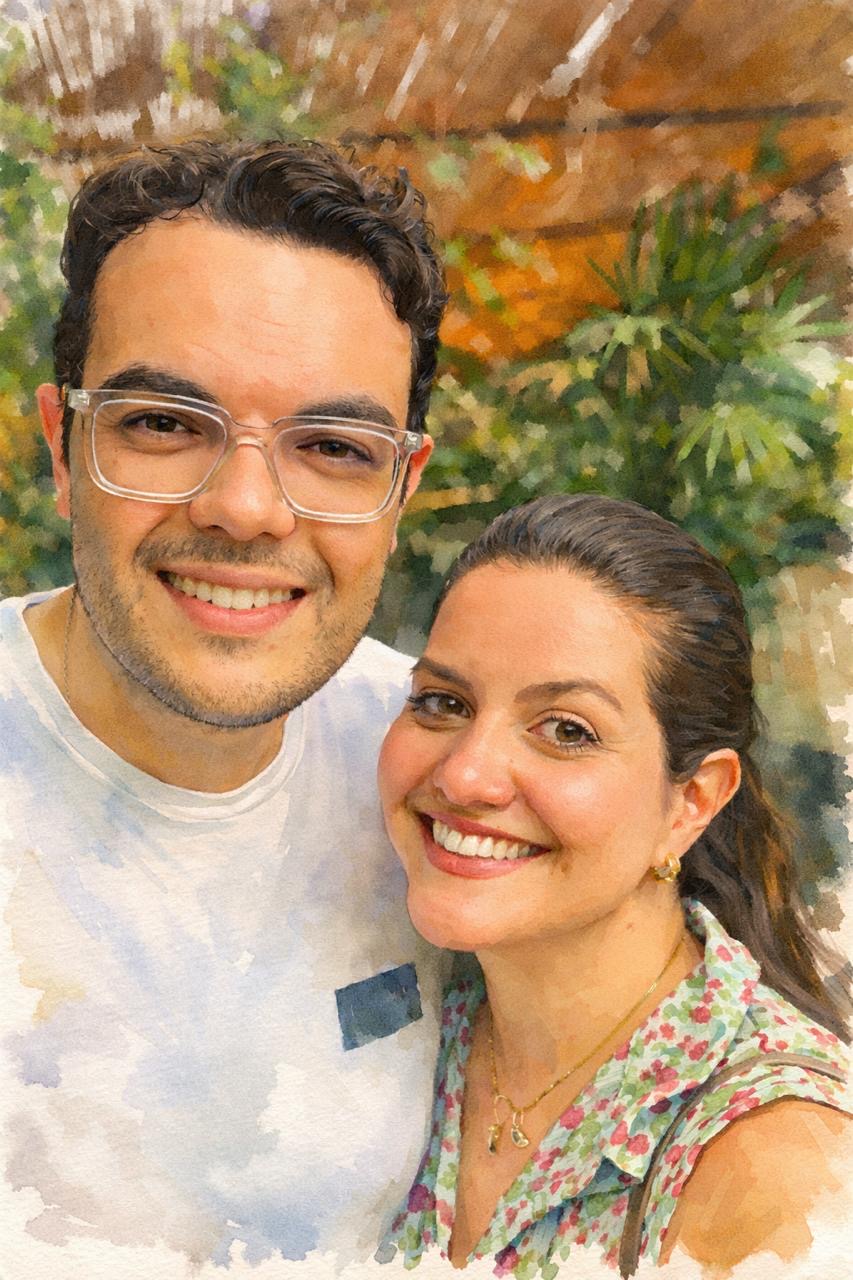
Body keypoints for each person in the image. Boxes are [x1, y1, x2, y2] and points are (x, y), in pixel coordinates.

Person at [0, 138, 450, 1268]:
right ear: (63, 446)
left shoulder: (447, 779)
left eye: (332, 446)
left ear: (400, 488)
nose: (247, 507)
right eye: (164, 423)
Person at [377, 493, 851, 1276]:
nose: (464, 776)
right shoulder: (417, 1017)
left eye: (567, 730)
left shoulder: (780, 1171)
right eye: (443, 702)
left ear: (690, 802)